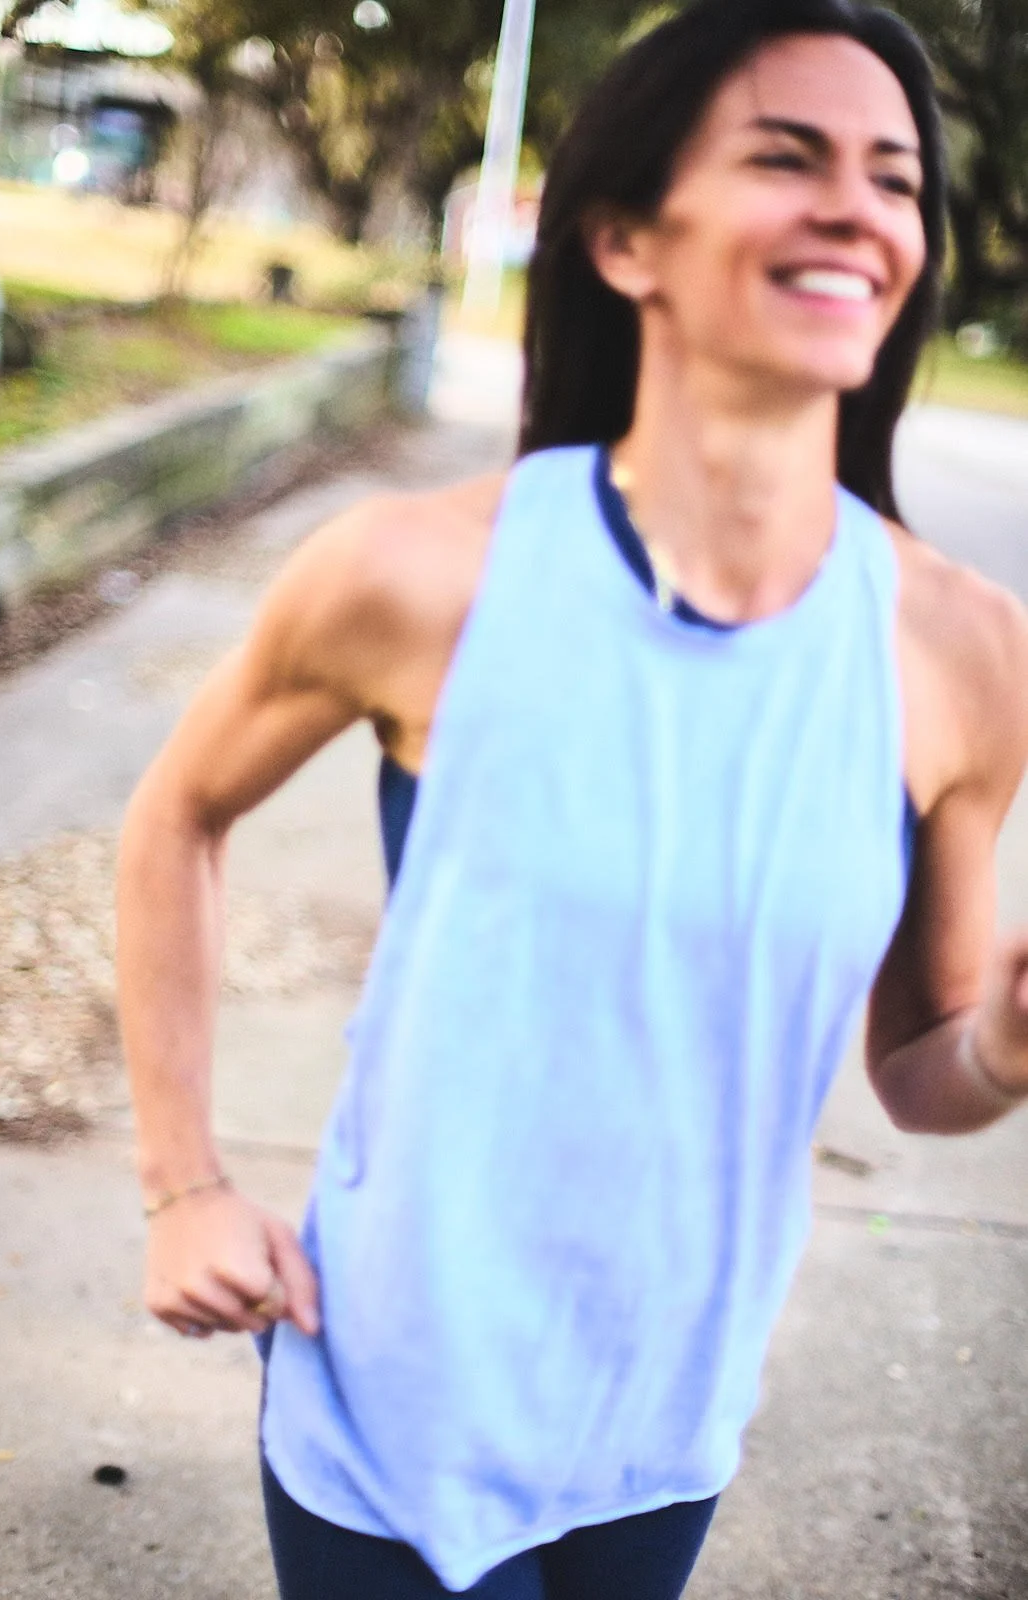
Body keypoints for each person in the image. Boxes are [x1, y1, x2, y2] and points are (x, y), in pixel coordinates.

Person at [116, 1, 1028, 1595]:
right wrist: (182, 1182)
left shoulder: (960, 649)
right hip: (387, 1403)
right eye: (788, 157)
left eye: (894, 179)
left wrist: (1009, 1047)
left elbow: (922, 1066)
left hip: (668, 1418)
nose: (857, 209)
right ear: (624, 240)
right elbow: (176, 815)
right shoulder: (418, 578)